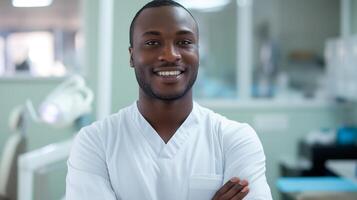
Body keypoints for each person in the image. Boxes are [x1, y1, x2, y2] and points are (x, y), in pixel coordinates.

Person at [66, 0, 272, 199]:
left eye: (184, 42)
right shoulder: (95, 142)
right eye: (152, 43)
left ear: (198, 53)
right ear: (131, 56)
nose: (170, 55)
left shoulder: (235, 139)